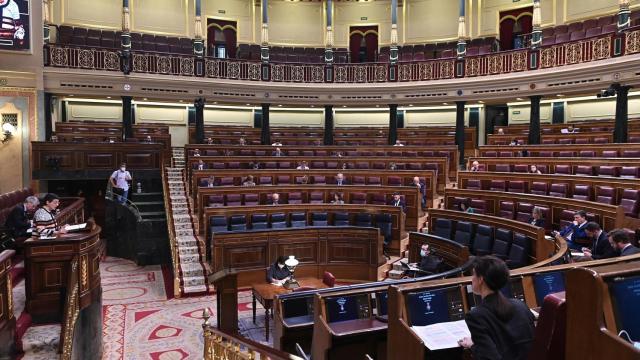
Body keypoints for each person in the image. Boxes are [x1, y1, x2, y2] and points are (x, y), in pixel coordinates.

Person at [457, 256, 535, 359]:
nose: (472, 279)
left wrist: (473, 345)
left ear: (480, 280)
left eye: (474, 274)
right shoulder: (520, 305)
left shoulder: (475, 316)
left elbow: (488, 357)